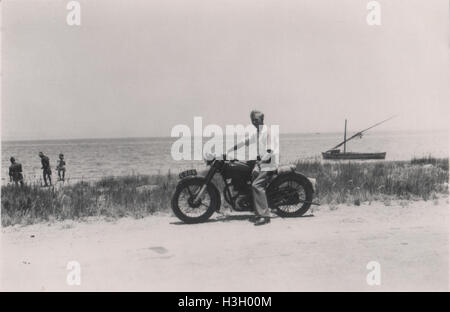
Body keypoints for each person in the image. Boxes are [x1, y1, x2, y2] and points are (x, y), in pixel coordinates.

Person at [227, 110, 279, 226]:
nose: (255, 122)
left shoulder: (268, 132)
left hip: (269, 162)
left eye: (257, 119)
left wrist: (258, 165)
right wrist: (230, 149)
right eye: (253, 120)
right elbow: (245, 141)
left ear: (262, 119)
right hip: (260, 161)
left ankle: (265, 216)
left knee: (257, 185)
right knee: (242, 167)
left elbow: (269, 151)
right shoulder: (257, 132)